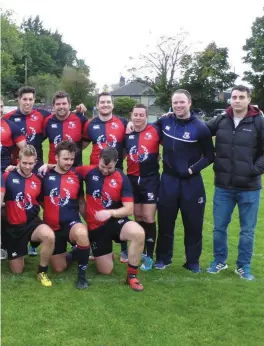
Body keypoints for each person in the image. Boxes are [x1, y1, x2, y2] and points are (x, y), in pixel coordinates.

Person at [128, 89, 214, 272]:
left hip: (192, 183)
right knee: (166, 222)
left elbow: (209, 156)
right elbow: (145, 127)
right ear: (171, 104)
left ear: (189, 102)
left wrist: (192, 169)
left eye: (182, 102)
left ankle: (192, 262)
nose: (178, 106)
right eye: (175, 103)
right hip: (168, 180)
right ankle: (163, 259)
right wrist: (130, 123)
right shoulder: (165, 121)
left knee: (193, 223)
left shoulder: (200, 127)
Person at [4, 86, 86, 256]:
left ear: (34, 101)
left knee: (44, 201)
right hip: (18, 168)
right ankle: (8, 242)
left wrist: (79, 110)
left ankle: (43, 237)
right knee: (11, 204)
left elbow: (67, 122)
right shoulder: (8, 118)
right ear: (18, 99)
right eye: (24, 99)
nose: (27, 102)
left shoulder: (42, 116)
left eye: (30, 99)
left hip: (38, 168)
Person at [206, 85, 264, 280]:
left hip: (249, 187)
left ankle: (243, 266)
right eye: (234, 97)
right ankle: (219, 261)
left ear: (249, 99)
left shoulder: (259, 121)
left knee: (247, 231)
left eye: (241, 97)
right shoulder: (221, 120)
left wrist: (254, 170)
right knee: (219, 228)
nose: (237, 100)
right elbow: (198, 131)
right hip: (223, 186)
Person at [75, 147, 145, 291]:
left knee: (139, 233)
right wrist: (48, 166)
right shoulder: (87, 171)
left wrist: (110, 213)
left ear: (116, 162)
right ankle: (97, 252)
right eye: (102, 166)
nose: (105, 170)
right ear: (98, 159)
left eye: (109, 167)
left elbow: (129, 209)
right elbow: (66, 170)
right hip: (96, 227)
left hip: (116, 222)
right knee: (105, 270)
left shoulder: (121, 177)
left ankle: (132, 277)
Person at [82, 92, 129, 263]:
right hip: (94, 173)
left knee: (117, 208)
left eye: (108, 102)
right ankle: (96, 247)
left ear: (112, 105)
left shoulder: (123, 123)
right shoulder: (90, 124)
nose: (105, 105)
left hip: (115, 172)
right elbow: (83, 143)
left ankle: (124, 249)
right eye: (102, 102)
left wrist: (115, 164)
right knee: (94, 209)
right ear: (97, 105)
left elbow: (125, 147)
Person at [40, 141, 91, 289]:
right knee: (59, 268)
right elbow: (40, 200)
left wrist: (91, 225)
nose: (69, 162)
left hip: (71, 224)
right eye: (65, 159)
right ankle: (76, 253)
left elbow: (81, 203)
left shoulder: (76, 176)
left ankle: (82, 277)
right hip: (53, 228)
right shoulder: (44, 175)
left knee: (81, 233)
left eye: (71, 159)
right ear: (56, 157)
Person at [2, 145, 55, 286]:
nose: (27, 166)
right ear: (18, 161)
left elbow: (61, 166)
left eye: (30, 163)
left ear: (36, 162)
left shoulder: (38, 179)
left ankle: (42, 271)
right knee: (17, 271)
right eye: (24, 163)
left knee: (49, 235)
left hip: (32, 223)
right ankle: (7, 246)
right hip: (13, 228)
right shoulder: (7, 176)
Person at [125, 103, 160, 271]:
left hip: (150, 179)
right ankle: (140, 251)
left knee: (148, 217)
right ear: (131, 116)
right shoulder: (128, 133)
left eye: (141, 115)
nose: (138, 118)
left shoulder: (155, 130)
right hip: (132, 179)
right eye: (135, 115)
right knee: (137, 216)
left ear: (147, 116)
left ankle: (150, 256)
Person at [43, 91, 88, 167]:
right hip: (53, 168)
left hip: (74, 168)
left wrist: (72, 151)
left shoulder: (81, 120)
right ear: (53, 106)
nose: (61, 106)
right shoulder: (47, 121)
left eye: (64, 103)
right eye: (58, 104)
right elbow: (37, 141)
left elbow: (86, 142)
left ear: (70, 105)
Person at [0, 95, 27, 173]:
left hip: (4, 171)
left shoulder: (11, 126)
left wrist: (17, 167)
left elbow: (26, 151)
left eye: (1, 106)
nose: (0, 109)